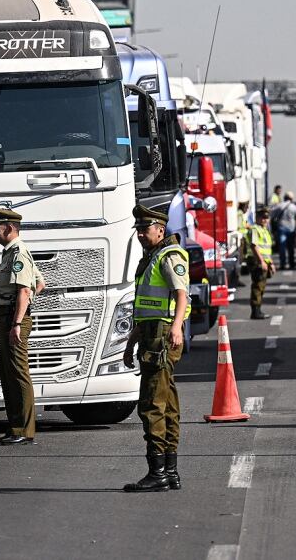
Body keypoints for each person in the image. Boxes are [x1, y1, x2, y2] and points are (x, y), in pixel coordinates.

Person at [123, 204, 190, 493]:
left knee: (152, 403)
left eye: (144, 229)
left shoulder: (169, 255)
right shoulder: (151, 257)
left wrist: (176, 328)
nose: (139, 234)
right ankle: (170, 471)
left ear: (160, 230)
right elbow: (148, 307)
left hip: (162, 336)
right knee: (168, 403)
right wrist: (131, 341)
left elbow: (181, 294)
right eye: (137, 229)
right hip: (151, 333)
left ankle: (158, 472)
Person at [0, 206, 44, 445]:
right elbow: (40, 282)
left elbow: (25, 288)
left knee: (18, 373)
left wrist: (18, 320)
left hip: (13, 318)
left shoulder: (19, 252)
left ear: (9, 228)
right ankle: (15, 426)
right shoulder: (11, 252)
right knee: (7, 373)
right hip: (7, 316)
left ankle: (24, 429)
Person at [244, 207, 276, 319]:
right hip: (256, 261)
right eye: (262, 217)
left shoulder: (264, 230)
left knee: (261, 286)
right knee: (257, 286)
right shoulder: (255, 229)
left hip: (263, 261)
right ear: (257, 218)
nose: (265, 220)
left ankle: (258, 309)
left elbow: (266, 249)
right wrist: (261, 261)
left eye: (266, 218)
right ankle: (255, 311)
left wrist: (271, 263)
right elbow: (254, 246)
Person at [273, 191, 296, 270]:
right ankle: (291, 263)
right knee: (290, 247)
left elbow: (271, 216)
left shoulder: (279, 206)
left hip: (281, 229)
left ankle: (282, 264)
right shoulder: (294, 207)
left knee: (282, 247)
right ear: (292, 198)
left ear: (284, 198)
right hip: (291, 230)